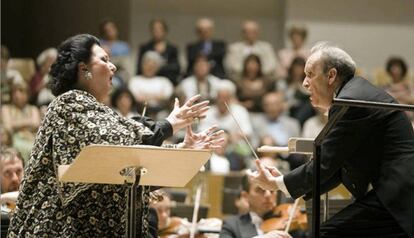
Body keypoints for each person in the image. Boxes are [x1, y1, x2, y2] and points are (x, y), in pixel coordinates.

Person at [7, 34, 225, 237]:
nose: (112, 66)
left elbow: (129, 173)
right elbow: (119, 139)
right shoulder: (68, 103)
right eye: (104, 59)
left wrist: (182, 152)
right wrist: (170, 124)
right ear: (84, 69)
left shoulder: (100, 112)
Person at [249, 42, 414, 237]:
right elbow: (337, 167)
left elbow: (326, 162)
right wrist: (282, 181)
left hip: (399, 195)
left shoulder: (350, 101)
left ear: (331, 75)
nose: (304, 83)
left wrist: (278, 183)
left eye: (310, 74)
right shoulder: (353, 94)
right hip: (396, 192)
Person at [219, 174, 292, 238]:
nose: (268, 195)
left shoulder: (290, 222)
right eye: (260, 190)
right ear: (245, 196)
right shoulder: (231, 225)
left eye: (272, 190)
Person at [137, 19, 181, 85]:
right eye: (154, 29)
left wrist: (155, 68)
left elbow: (176, 68)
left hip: (168, 82)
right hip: (147, 81)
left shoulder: (172, 49)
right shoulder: (145, 48)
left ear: (165, 31)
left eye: (160, 29)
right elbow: (139, 68)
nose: (157, 32)